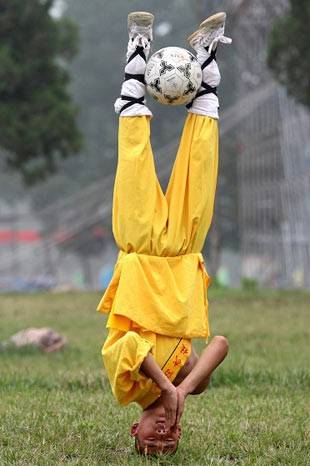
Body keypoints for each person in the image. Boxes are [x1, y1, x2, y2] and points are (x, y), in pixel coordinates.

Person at [97, 11, 232, 455]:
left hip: (139, 249)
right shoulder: (186, 381)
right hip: (182, 256)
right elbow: (220, 345)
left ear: (134, 431)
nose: (162, 434)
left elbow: (132, 344)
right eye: (169, 441)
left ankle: (137, 58)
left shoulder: (127, 389)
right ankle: (206, 62)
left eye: (151, 441)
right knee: (202, 162)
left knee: (134, 159)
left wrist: (165, 388)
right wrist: (185, 388)